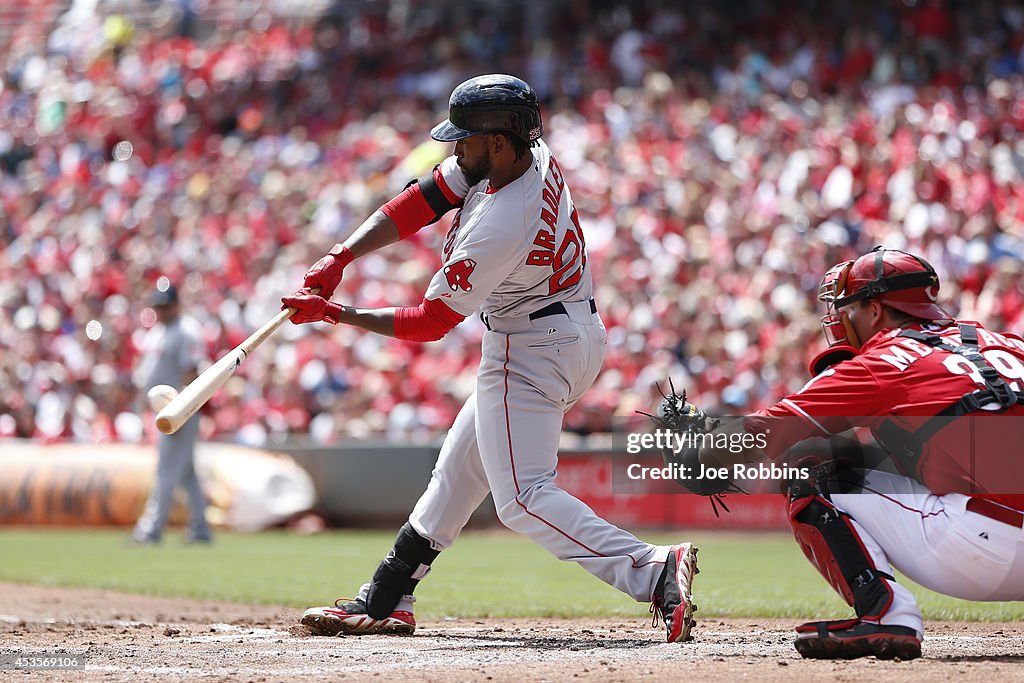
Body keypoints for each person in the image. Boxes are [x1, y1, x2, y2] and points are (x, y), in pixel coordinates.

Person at [283, 74, 698, 642]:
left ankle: (651, 571)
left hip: (530, 346)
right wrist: (342, 254)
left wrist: (337, 314)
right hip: (562, 330)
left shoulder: (504, 221)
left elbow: (432, 322)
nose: (455, 147)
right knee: (458, 471)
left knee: (523, 499)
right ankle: (385, 596)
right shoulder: (520, 153)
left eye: (465, 139)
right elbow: (427, 196)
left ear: (497, 142)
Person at [667, 246, 1024, 660]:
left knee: (815, 469)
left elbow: (768, 432)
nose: (839, 318)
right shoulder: (1004, 342)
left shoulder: (884, 360)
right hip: (995, 530)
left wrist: (697, 450)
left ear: (874, 309)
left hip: (987, 551)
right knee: (884, 445)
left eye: (847, 306)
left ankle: (884, 613)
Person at [131, 279, 213, 545]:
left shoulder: (187, 331)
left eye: (165, 306)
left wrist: (180, 409)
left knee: (166, 469)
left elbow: (191, 374)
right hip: (163, 410)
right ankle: (200, 529)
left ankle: (150, 530)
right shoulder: (158, 331)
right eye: (158, 306)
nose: (161, 311)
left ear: (177, 305)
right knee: (186, 472)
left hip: (179, 411)